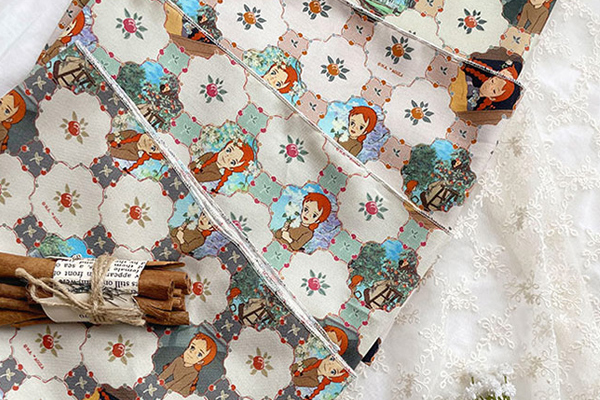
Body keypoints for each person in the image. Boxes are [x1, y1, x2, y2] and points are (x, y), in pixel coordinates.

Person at [189, 140, 254, 193]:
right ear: (223, 148)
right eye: (228, 150)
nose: (226, 157)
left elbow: (196, 178)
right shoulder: (209, 155)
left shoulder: (216, 175)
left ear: (231, 168)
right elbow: (191, 165)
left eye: (232, 162)